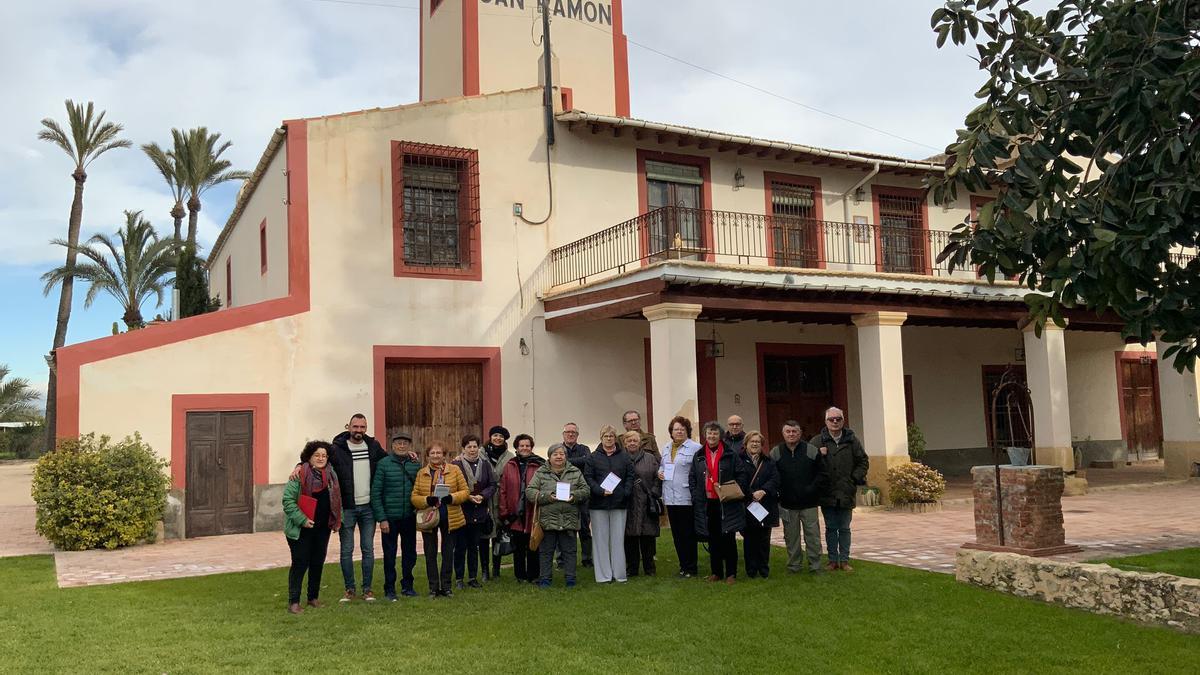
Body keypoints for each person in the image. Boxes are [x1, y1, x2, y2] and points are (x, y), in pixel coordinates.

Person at [330, 413, 387, 602]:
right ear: (349, 427)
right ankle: (349, 589)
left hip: (368, 508)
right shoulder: (337, 448)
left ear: (366, 428)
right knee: (346, 550)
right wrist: (299, 465)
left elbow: (388, 462)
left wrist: (409, 456)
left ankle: (367, 589)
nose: (359, 431)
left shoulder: (373, 446)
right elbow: (318, 460)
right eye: (355, 427)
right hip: (347, 507)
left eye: (362, 427)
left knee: (368, 549)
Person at [282, 441, 341, 614]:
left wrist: (337, 520)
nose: (321, 458)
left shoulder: (331, 475)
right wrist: (302, 520)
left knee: (317, 563)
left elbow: (337, 500)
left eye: (324, 455)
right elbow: (288, 501)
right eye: (317, 455)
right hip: (301, 528)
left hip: (322, 528)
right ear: (309, 457)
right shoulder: (299, 475)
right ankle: (294, 602)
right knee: (300, 563)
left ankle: (312, 598)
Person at [689, 420, 750, 584]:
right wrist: (696, 496)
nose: (712, 436)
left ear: (720, 435)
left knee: (729, 538)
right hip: (708, 503)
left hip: (727, 502)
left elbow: (741, 474)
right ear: (705, 435)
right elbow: (693, 477)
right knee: (713, 538)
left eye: (715, 433)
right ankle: (716, 572)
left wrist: (734, 490)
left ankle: (731, 573)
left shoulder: (730, 454)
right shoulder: (699, 455)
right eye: (709, 433)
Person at [811, 407, 869, 572]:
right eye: (831, 419)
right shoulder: (817, 441)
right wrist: (818, 454)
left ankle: (844, 560)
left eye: (838, 419)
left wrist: (854, 478)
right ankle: (832, 560)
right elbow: (807, 463)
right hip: (827, 492)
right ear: (826, 422)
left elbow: (863, 461)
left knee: (844, 528)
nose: (835, 422)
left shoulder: (852, 440)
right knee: (830, 527)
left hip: (846, 491)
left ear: (843, 421)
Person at [410, 441, 470, 596]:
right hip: (429, 517)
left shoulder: (455, 470)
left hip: (450, 516)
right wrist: (426, 500)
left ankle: (446, 586)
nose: (436, 456)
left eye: (439, 453)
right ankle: (433, 587)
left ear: (444, 455)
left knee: (448, 552)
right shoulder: (422, 473)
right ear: (428, 456)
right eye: (433, 453)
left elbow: (465, 491)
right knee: (430, 553)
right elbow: (414, 497)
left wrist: (452, 497)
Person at [526, 445, 590, 588]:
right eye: (555, 454)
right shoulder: (541, 472)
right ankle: (545, 580)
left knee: (570, 551)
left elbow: (585, 490)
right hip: (547, 519)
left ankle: (571, 579)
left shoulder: (575, 471)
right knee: (546, 552)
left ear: (566, 457)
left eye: (562, 454)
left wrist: (574, 496)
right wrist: (547, 496)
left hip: (569, 518)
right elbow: (530, 492)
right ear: (549, 457)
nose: (559, 457)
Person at [371, 433, 421, 600]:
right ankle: (389, 588)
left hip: (409, 516)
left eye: (405, 443)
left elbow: (420, 489)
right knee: (390, 554)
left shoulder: (415, 464)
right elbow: (376, 493)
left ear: (409, 446)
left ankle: (408, 585)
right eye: (398, 443)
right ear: (392, 446)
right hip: (389, 518)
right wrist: (382, 518)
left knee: (410, 553)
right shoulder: (383, 464)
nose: (401, 446)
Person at [771, 420, 824, 573]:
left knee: (813, 536)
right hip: (787, 504)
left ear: (800, 433)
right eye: (788, 431)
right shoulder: (776, 452)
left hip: (809, 503)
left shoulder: (812, 450)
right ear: (783, 433)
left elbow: (821, 473)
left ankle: (815, 565)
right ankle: (794, 566)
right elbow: (772, 475)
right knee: (791, 537)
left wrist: (812, 489)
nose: (791, 434)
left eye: (794, 431)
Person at [584, 425, 635, 583]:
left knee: (618, 540)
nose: (609, 439)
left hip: (619, 503)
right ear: (601, 438)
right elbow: (588, 478)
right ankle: (603, 575)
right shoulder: (593, 457)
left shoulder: (624, 457)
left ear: (615, 438)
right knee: (600, 539)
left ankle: (619, 574)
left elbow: (630, 476)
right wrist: (599, 491)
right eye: (606, 436)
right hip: (598, 504)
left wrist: (625, 492)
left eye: (611, 436)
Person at [451, 434, 496, 589]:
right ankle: (458, 579)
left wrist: (482, 496)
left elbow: (492, 484)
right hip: (461, 510)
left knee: (474, 546)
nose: (472, 449)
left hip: (479, 510)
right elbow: (453, 486)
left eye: (475, 446)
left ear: (479, 447)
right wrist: (468, 496)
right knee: (460, 547)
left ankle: (472, 578)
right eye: (469, 447)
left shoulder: (485, 464)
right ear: (463, 448)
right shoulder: (455, 465)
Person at [659, 415, 701, 578]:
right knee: (677, 535)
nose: (679, 432)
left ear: (687, 431)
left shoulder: (695, 448)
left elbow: (699, 472)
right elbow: (663, 467)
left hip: (686, 497)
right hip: (670, 497)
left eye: (682, 429)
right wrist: (660, 473)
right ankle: (683, 566)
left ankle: (691, 567)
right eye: (676, 429)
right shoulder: (667, 448)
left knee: (687, 534)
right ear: (671, 432)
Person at [499, 434, 544, 583]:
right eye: (522, 446)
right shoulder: (510, 465)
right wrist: (504, 512)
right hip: (514, 512)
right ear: (517, 448)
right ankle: (520, 576)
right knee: (518, 547)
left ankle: (534, 575)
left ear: (531, 447)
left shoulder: (540, 464)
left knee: (533, 545)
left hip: (533, 511)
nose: (525, 448)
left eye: (527, 445)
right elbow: (503, 490)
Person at [548, 422, 593, 568]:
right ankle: (561, 560)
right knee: (563, 527)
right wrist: (577, 461)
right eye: (568, 432)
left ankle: (587, 558)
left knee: (585, 527)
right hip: (562, 493)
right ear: (563, 434)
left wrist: (566, 461)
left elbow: (588, 461)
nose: (571, 434)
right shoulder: (558, 448)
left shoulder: (584, 448)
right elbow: (554, 463)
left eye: (574, 432)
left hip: (581, 492)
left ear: (577, 435)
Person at [741, 431, 780, 579]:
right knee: (749, 540)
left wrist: (763, 491)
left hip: (766, 505)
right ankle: (751, 571)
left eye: (758, 442)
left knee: (764, 540)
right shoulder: (739, 461)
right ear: (746, 444)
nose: (755, 444)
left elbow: (775, 479)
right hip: (748, 505)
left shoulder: (769, 461)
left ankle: (764, 570)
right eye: (752, 441)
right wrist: (752, 494)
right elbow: (739, 480)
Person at [623, 430, 662, 577]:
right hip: (629, 503)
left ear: (640, 443)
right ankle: (632, 569)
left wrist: (654, 493)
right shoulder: (621, 459)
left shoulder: (650, 458)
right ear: (625, 443)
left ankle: (649, 568)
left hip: (647, 502)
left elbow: (658, 478)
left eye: (635, 441)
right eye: (629, 441)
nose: (632, 443)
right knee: (630, 538)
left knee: (648, 538)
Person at [483, 425, 514, 580]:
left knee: (498, 536)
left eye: (501, 436)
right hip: (484, 499)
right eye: (495, 435)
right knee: (484, 536)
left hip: (500, 499)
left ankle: (496, 570)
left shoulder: (509, 456)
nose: (498, 438)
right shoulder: (481, 453)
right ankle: (484, 571)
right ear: (490, 437)